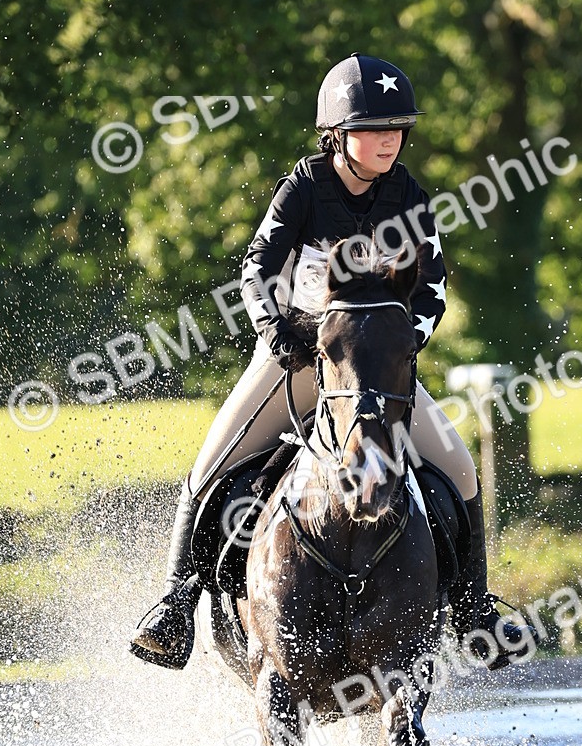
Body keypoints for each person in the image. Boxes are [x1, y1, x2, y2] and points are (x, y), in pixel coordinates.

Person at [130, 52, 525, 671]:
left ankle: (473, 609)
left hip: (375, 365)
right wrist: (277, 329)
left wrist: (404, 341)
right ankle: (178, 606)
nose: (389, 141)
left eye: (397, 129)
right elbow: (257, 269)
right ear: (339, 135)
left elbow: (434, 286)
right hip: (300, 356)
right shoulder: (305, 189)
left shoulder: (411, 195)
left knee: (462, 472)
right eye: (374, 129)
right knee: (210, 467)